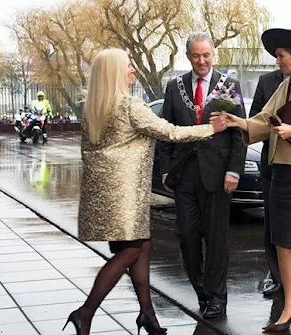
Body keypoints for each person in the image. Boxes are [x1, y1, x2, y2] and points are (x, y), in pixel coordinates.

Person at [64, 48, 227, 335]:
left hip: (104, 193)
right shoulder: (130, 106)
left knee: (140, 248)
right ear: (115, 73)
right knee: (129, 252)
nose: (133, 70)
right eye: (128, 66)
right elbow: (171, 133)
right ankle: (85, 313)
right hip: (124, 194)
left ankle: (147, 315)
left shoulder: (93, 107)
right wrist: (209, 129)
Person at [212, 28, 291, 333]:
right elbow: (263, 120)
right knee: (282, 239)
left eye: (282, 55)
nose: (278, 59)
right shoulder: (285, 85)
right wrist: (237, 121)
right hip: (282, 170)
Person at [159, 32, 246, 319]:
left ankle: (217, 297)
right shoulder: (175, 86)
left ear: (213, 54)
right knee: (186, 235)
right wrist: (166, 169)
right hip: (184, 175)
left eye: (206, 55)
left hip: (218, 175)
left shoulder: (227, 85)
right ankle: (202, 291)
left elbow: (238, 132)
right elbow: (165, 131)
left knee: (217, 239)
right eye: (196, 55)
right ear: (188, 57)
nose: (202, 60)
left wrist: (234, 169)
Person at [250, 69, 291, 297]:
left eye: (282, 54)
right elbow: (257, 119)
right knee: (274, 223)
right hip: (273, 162)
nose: (279, 59)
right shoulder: (267, 82)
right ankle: (277, 277)